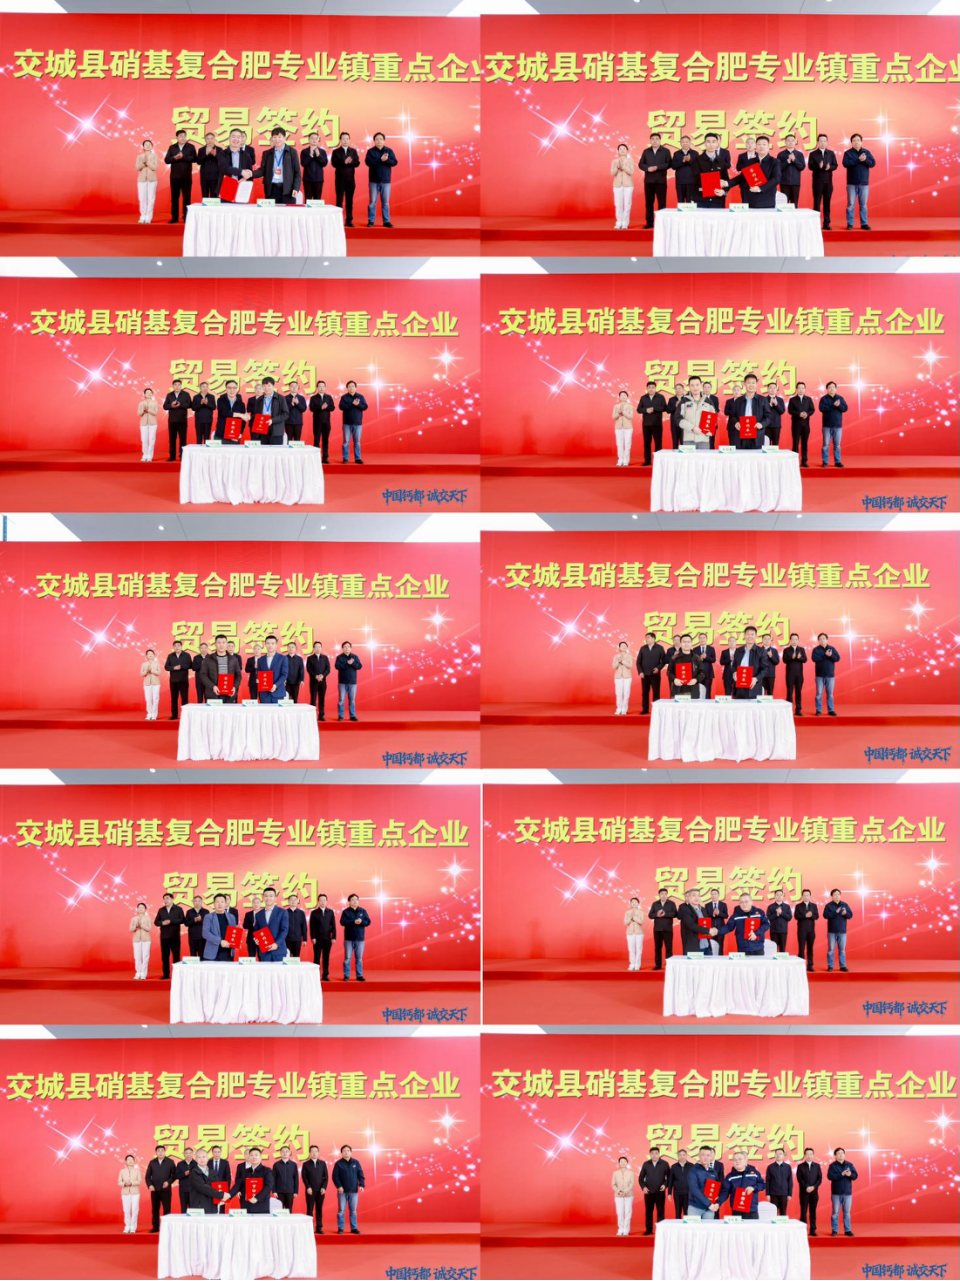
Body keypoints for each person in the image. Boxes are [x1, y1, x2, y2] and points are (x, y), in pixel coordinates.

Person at [250, 126, 302, 204]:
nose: (277, 139)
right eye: (275, 137)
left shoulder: (292, 152)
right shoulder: (267, 153)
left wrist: (296, 188)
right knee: (271, 211)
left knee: (288, 211)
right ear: (272, 138)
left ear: (285, 138)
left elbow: (297, 172)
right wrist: (251, 174)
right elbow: (262, 170)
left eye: (279, 137)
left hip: (288, 190)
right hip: (271, 190)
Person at [736, 134, 781, 209]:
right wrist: (727, 183)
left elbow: (776, 179)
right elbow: (742, 177)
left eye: (764, 144)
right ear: (756, 147)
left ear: (768, 147)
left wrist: (760, 188)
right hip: (750, 200)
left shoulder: (774, 161)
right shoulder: (750, 162)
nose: (761, 146)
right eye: (759, 144)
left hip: (766, 202)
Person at [842, 133, 875, 230]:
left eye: (858, 140)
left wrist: (865, 160)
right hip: (851, 183)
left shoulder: (866, 152)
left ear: (861, 142)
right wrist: (858, 160)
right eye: (854, 140)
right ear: (851, 142)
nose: (856, 142)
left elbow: (872, 163)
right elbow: (845, 163)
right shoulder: (848, 153)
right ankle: (850, 224)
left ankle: (864, 223)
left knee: (863, 205)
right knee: (850, 204)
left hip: (864, 183)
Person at [729, 373, 770, 450]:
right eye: (748, 383)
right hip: (741, 435)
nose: (751, 385)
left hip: (757, 435)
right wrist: (736, 423)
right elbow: (733, 416)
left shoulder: (762, 400)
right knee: (741, 456)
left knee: (756, 457)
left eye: (753, 383)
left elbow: (768, 417)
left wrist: (762, 424)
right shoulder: (738, 401)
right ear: (744, 384)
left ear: (756, 384)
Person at [365, 131, 398, 227]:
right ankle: (371, 221)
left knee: (386, 203)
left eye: (381, 139)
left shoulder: (389, 151)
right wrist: (380, 160)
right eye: (377, 139)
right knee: (372, 202)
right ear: (374, 141)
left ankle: (386, 221)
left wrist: (386, 160)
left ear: (384, 141)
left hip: (386, 181)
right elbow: (368, 162)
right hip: (373, 181)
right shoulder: (370, 151)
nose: (379, 141)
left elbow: (394, 162)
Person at [719, 1151, 765, 1219]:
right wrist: (718, 1202)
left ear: (745, 1160)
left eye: (740, 1159)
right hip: (737, 1210)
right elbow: (725, 1192)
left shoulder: (754, 1173)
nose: (737, 1161)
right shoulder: (730, 1177)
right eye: (735, 1160)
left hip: (751, 1210)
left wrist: (753, 1188)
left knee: (753, 1226)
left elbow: (762, 1184)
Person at [639, 133, 671, 228]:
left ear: (660, 140)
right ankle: (649, 223)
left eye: (657, 139)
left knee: (662, 203)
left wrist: (657, 167)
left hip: (661, 181)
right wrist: (647, 168)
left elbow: (669, 163)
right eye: (653, 139)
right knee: (649, 203)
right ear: (650, 140)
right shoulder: (646, 151)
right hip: (649, 181)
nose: (655, 141)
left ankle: (662, 223)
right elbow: (641, 164)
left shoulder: (665, 151)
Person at [164, 130, 196, 223]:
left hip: (187, 177)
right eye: (181, 136)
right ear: (177, 137)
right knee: (174, 198)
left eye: (184, 136)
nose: (183, 138)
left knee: (187, 198)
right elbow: (166, 160)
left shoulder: (191, 147)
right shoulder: (172, 147)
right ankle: (174, 218)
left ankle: (186, 217)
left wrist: (183, 157)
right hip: (174, 177)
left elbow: (195, 159)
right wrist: (175, 157)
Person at [201, 633, 243, 703]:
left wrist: (234, 687)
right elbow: (203, 675)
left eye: (223, 642)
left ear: (226, 644)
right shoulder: (208, 658)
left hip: (229, 695)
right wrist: (213, 686)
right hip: (213, 694)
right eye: (219, 643)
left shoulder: (233, 659)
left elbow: (238, 676)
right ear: (215, 644)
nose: (221, 645)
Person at [247, 376, 289, 445]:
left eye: (269, 385)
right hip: (262, 430)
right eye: (264, 386)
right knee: (263, 450)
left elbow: (285, 414)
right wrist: (250, 417)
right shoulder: (259, 399)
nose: (266, 388)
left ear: (273, 386)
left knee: (276, 451)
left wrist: (272, 420)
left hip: (276, 431)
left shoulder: (280, 398)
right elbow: (256, 414)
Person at [686, 1146, 725, 1220]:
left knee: (708, 1228)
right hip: (695, 1208)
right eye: (703, 1155)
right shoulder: (693, 1171)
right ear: (699, 1155)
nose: (705, 1157)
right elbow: (694, 1190)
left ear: (711, 1156)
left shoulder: (713, 1172)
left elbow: (717, 1187)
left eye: (708, 1155)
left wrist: (717, 1197)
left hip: (709, 1210)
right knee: (693, 1228)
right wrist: (709, 1204)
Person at [731, 626, 770, 699]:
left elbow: (765, 669)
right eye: (748, 634)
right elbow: (734, 666)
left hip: (753, 687)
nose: (750, 636)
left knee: (753, 706)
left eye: (752, 634)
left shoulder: (761, 651)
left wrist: (756, 678)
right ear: (744, 636)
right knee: (738, 705)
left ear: (756, 636)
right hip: (739, 688)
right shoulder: (738, 651)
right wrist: (734, 673)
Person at [333, 1144, 365, 1234]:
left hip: (353, 1190)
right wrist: (339, 1186)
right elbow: (335, 1177)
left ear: (351, 1152)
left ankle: (354, 1228)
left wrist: (361, 1185)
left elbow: (360, 1175)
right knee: (341, 1210)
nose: (346, 1152)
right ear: (341, 1153)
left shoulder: (356, 1162)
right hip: (342, 1191)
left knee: (353, 1211)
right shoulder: (338, 1164)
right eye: (344, 1151)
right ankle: (341, 1228)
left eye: (348, 1150)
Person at [808, 133, 838, 229]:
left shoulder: (831, 153)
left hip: (828, 182)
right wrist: (818, 166)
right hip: (817, 182)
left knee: (827, 203)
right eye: (821, 141)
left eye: (824, 141)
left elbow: (835, 165)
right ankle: (816, 223)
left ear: (827, 142)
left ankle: (826, 223)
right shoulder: (813, 154)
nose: (823, 143)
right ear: (818, 142)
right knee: (817, 202)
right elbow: (810, 166)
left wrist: (830, 168)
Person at [231, 1148, 274, 1212]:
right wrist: (228, 1195)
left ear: (260, 1157)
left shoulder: (267, 1170)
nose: (254, 1157)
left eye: (256, 1155)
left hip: (261, 1206)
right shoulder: (245, 1172)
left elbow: (268, 1186)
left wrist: (257, 1198)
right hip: (246, 1205)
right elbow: (238, 1185)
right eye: (251, 1155)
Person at [694, 133, 731, 208]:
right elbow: (696, 178)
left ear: (717, 144)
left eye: (714, 142)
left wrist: (724, 191)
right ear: (704, 143)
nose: (711, 144)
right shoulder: (697, 160)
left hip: (717, 200)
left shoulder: (721, 162)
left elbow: (726, 180)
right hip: (701, 200)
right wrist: (716, 181)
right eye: (708, 142)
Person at [639, 1147, 670, 1235]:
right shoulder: (646, 1164)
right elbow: (641, 1178)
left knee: (660, 1211)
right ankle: (649, 1230)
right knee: (648, 1211)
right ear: (650, 1154)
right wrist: (643, 1187)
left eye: (656, 1153)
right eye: (652, 1153)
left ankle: (660, 1230)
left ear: (659, 1154)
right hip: (648, 1192)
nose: (654, 1155)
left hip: (660, 1192)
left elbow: (669, 1177)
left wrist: (665, 1185)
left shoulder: (664, 1164)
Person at [332, 131, 360, 226]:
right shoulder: (336, 151)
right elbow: (334, 163)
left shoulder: (353, 151)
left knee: (349, 201)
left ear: (349, 140)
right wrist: (344, 162)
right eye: (343, 139)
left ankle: (349, 220)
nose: (345, 140)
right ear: (340, 140)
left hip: (350, 180)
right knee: (339, 200)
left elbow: (357, 163)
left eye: (347, 139)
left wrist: (350, 162)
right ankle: (338, 221)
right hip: (339, 180)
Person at [255, 886, 290, 961]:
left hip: (279, 951)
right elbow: (256, 930)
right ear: (263, 897)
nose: (268, 898)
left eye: (271, 896)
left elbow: (284, 930)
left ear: (275, 898)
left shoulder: (282, 912)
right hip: (264, 952)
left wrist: (276, 944)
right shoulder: (258, 914)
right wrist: (256, 939)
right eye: (266, 896)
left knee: (279, 969)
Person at [827, 1148, 857, 1236]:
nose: (841, 1155)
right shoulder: (832, 1166)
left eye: (842, 1153)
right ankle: (834, 1230)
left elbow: (855, 1176)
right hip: (836, 1193)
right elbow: (830, 1176)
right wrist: (841, 1174)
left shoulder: (849, 1164)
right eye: (838, 1153)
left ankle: (847, 1230)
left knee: (847, 1213)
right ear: (835, 1156)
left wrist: (850, 1175)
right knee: (835, 1213)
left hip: (847, 1193)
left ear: (844, 1154)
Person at [341, 893, 371, 980]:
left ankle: (359, 975)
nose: (355, 901)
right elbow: (342, 922)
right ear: (349, 902)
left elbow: (368, 922)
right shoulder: (346, 912)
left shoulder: (363, 911)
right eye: (353, 900)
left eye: (356, 900)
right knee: (347, 958)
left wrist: (361, 922)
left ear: (358, 901)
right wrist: (353, 922)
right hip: (348, 939)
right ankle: (346, 975)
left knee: (359, 958)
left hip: (360, 938)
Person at [154, 892, 185, 978]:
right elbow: (156, 922)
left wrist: (171, 921)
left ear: (172, 899)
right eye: (164, 899)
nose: (165, 900)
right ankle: (166, 974)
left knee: (176, 956)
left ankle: (176, 974)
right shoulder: (161, 910)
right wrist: (162, 923)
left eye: (167, 898)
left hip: (175, 936)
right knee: (165, 956)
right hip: (164, 937)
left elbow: (182, 920)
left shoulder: (178, 909)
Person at [146, 1145, 176, 1231]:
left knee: (167, 1209)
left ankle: (167, 1228)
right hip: (154, 1190)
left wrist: (168, 1182)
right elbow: (147, 1176)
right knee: (155, 1209)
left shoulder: (170, 1162)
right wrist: (150, 1185)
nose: (160, 1152)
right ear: (156, 1152)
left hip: (166, 1190)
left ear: (164, 1152)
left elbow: (175, 1175)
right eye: (158, 1151)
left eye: (162, 1151)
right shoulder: (152, 1162)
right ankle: (155, 1227)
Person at [678, 378, 714, 450]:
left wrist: (709, 431)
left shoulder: (708, 401)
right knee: (688, 458)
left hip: (704, 440)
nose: (695, 388)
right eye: (692, 385)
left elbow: (712, 419)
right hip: (688, 440)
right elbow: (678, 418)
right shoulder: (684, 401)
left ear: (701, 385)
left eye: (697, 385)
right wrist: (692, 428)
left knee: (703, 457)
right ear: (689, 387)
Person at [201, 892, 238, 961]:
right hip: (212, 953)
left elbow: (234, 932)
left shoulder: (231, 917)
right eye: (217, 902)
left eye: (222, 902)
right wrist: (220, 941)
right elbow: (205, 933)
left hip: (227, 952)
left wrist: (235, 940)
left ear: (225, 904)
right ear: (214, 904)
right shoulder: (208, 917)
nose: (220, 904)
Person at [188, 1149, 227, 1214]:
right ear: (196, 1159)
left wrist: (221, 1198)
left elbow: (217, 1187)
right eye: (199, 1157)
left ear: (207, 1158)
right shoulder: (194, 1172)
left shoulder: (212, 1172)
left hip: (212, 1207)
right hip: (199, 1208)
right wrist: (221, 1195)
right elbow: (203, 1187)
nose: (202, 1159)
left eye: (204, 1157)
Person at [819, 382, 848, 468]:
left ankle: (837, 461)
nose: (832, 388)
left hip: (838, 426)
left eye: (833, 387)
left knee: (837, 445)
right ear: (827, 389)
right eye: (830, 387)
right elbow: (822, 408)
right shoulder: (824, 399)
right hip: (826, 426)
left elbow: (845, 408)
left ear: (836, 388)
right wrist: (833, 406)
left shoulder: (840, 398)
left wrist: (839, 405)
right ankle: (825, 461)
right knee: (825, 445)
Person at [636, 632, 666, 715]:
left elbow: (664, 661)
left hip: (655, 674)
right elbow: (638, 662)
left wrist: (658, 668)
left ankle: (656, 710)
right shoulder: (643, 648)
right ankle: (645, 709)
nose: (646, 639)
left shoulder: (660, 648)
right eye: (646, 637)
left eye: (648, 637)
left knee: (656, 692)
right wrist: (640, 672)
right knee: (645, 693)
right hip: (644, 675)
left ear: (653, 638)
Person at [824, 888, 853, 972]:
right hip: (831, 931)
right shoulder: (828, 905)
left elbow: (850, 915)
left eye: (838, 894)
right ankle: (830, 966)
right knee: (831, 950)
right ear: (832, 896)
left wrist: (845, 913)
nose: (837, 896)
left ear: (840, 896)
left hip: (842, 931)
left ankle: (842, 966)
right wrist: (835, 912)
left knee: (842, 950)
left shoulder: (845, 905)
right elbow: (825, 915)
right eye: (835, 894)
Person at [638, 381, 667, 465]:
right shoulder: (643, 397)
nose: (651, 389)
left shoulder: (661, 397)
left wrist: (654, 408)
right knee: (647, 443)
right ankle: (647, 461)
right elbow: (639, 409)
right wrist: (646, 410)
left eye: (653, 387)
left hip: (657, 424)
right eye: (649, 387)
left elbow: (664, 408)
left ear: (655, 388)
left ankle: (658, 461)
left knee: (658, 443)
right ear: (647, 388)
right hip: (646, 424)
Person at [812, 633, 841, 717]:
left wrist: (831, 655)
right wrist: (825, 655)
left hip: (830, 675)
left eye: (823, 638)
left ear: (827, 639)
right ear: (818, 640)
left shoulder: (832, 648)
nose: (822, 640)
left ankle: (831, 710)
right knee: (819, 694)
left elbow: (837, 658)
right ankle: (818, 710)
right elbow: (814, 659)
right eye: (820, 639)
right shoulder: (816, 650)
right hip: (819, 675)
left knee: (830, 694)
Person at [648, 888, 677, 970]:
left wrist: (665, 914)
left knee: (669, 948)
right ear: (659, 895)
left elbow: (675, 914)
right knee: (657, 948)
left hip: (668, 929)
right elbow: (650, 915)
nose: (664, 895)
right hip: (657, 929)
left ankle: (669, 965)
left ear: (667, 895)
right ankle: (658, 965)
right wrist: (656, 915)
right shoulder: (655, 904)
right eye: (662, 894)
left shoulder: (671, 903)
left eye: (665, 894)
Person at [668, 634, 705, 699]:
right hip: (677, 691)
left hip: (692, 691)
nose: (686, 644)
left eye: (688, 642)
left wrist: (696, 680)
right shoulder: (674, 658)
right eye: (684, 642)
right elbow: (669, 672)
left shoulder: (697, 658)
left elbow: (702, 673)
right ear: (680, 644)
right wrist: (674, 679)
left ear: (691, 643)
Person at [339, 381, 367, 463]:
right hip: (346, 423)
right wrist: (352, 404)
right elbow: (341, 407)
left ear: (356, 387)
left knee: (357, 442)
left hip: (358, 424)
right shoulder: (344, 397)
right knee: (346, 442)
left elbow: (365, 407)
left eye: (353, 386)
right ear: (347, 388)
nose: (351, 388)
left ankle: (358, 458)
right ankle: (345, 458)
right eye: (349, 386)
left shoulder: (360, 396)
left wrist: (358, 405)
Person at [163, 380, 191, 461]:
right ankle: (172, 456)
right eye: (175, 385)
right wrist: (171, 405)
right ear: (173, 386)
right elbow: (165, 406)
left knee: (183, 439)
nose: (177, 386)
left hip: (182, 420)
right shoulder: (169, 395)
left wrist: (180, 404)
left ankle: (182, 456)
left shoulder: (186, 394)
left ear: (181, 386)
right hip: (172, 421)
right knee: (172, 439)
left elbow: (190, 404)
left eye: (179, 385)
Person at [788, 382, 815, 467]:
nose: (801, 389)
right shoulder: (792, 400)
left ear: (805, 389)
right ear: (796, 389)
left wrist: (807, 414)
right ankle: (794, 461)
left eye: (803, 388)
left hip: (806, 425)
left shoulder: (809, 399)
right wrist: (798, 414)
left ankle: (804, 461)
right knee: (795, 443)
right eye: (799, 388)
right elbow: (790, 410)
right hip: (796, 425)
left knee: (804, 443)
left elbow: (812, 410)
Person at [310, 894, 336, 981]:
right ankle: (316, 975)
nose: (322, 902)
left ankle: (325, 975)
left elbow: (334, 925)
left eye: (324, 900)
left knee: (326, 957)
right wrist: (313, 937)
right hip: (317, 939)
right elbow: (312, 926)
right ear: (318, 901)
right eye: (321, 900)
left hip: (327, 939)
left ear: (327, 901)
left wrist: (334, 937)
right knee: (316, 957)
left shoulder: (330, 912)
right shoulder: (314, 913)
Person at [303, 1145, 328, 1233]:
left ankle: (319, 1227)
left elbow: (326, 1177)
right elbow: (304, 1178)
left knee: (319, 1209)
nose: (314, 1153)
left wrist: (324, 1187)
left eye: (316, 1151)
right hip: (310, 1191)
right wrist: (308, 1187)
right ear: (310, 1153)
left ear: (318, 1152)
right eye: (312, 1151)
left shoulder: (322, 1163)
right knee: (309, 1209)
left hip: (320, 1191)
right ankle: (309, 1227)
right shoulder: (306, 1164)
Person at [257, 634, 289, 703]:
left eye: (272, 643)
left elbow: (284, 675)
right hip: (264, 694)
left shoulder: (283, 658)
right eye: (268, 643)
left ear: (276, 645)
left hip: (278, 693)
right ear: (265, 645)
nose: (270, 645)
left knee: (278, 710)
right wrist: (258, 679)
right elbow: (258, 674)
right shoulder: (260, 660)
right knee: (264, 710)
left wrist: (275, 685)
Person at [797, 1147, 822, 1235]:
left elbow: (819, 1179)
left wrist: (814, 1187)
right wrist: (806, 1187)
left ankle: (813, 1230)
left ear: (813, 1155)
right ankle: (803, 1230)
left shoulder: (817, 1166)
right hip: (804, 1193)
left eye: (811, 1154)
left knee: (813, 1211)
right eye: (807, 1154)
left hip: (814, 1193)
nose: (809, 1156)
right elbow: (800, 1179)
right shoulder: (800, 1166)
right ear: (804, 1155)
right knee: (803, 1211)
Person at [164, 640, 191, 719]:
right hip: (173, 681)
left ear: (181, 646)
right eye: (175, 646)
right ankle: (174, 715)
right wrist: (173, 667)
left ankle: (185, 715)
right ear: (173, 647)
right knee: (174, 698)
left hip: (183, 680)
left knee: (184, 698)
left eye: (178, 645)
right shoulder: (170, 656)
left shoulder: (187, 655)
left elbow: (190, 665)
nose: (177, 647)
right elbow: (166, 667)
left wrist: (181, 666)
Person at [678, 888, 710, 955]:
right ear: (689, 898)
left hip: (706, 945)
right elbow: (691, 925)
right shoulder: (685, 909)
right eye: (694, 895)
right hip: (693, 946)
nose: (697, 897)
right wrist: (708, 931)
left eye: (698, 895)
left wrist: (713, 929)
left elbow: (707, 923)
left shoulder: (703, 909)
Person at [336, 641, 362, 721]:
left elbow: (359, 666)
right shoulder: (339, 657)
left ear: (350, 648)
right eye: (345, 647)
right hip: (342, 682)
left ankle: (352, 716)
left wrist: (353, 663)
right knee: (341, 700)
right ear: (342, 648)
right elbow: (337, 666)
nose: (346, 648)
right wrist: (347, 663)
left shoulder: (355, 657)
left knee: (352, 700)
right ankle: (341, 716)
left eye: (348, 647)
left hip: (353, 682)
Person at [610, 143, 635, 230]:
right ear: (618, 151)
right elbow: (612, 173)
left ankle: (625, 223)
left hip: (628, 185)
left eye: (624, 149)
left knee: (627, 204)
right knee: (618, 204)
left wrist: (623, 167)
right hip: (617, 185)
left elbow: (631, 172)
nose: (622, 150)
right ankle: (618, 222)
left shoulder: (630, 160)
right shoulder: (614, 161)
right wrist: (617, 168)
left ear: (627, 151)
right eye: (620, 149)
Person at [309, 382, 336, 461]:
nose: (321, 388)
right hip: (317, 422)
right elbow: (311, 408)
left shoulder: (329, 397)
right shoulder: (313, 398)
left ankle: (325, 457)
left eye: (323, 386)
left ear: (325, 387)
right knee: (316, 440)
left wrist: (326, 407)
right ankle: (316, 458)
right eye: (319, 386)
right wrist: (320, 407)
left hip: (326, 422)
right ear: (317, 388)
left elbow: (332, 407)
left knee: (325, 440)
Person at [777, 134, 806, 204]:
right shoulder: (781, 154)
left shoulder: (799, 154)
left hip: (795, 183)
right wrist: (787, 161)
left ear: (795, 142)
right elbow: (778, 168)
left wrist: (794, 160)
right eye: (788, 141)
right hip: (784, 183)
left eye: (792, 141)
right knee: (784, 204)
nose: (790, 142)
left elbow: (802, 167)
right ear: (785, 142)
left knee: (794, 203)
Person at [795, 889, 819, 971]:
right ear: (802, 896)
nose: (806, 897)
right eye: (804, 895)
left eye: (807, 895)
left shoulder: (814, 906)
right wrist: (805, 915)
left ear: (810, 896)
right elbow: (796, 916)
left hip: (811, 931)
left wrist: (811, 916)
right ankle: (801, 965)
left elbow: (817, 916)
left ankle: (810, 965)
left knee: (810, 948)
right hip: (801, 931)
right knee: (801, 948)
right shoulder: (798, 906)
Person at [782, 633, 807, 714]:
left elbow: (805, 660)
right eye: (793, 639)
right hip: (790, 675)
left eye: (796, 639)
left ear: (798, 640)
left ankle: (798, 710)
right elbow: (784, 660)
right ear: (790, 640)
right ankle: (789, 710)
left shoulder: (801, 649)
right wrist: (791, 658)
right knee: (789, 692)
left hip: (799, 675)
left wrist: (800, 658)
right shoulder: (786, 650)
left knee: (798, 692)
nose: (794, 641)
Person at [135, 139, 158, 224]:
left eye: (149, 144)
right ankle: (142, 216)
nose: (148, 146)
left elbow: (155, 168)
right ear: (143, 147)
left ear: (152, 146)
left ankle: (149, 217)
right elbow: (137, 168)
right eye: (146, 144)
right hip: (141, 179)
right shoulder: (139, 156)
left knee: (151, 199)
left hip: (152, 179)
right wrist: (143, 163)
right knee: (142, 198)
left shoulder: (154, 156)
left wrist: (147, 162)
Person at [300, 132, 329, 201]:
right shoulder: (304, 151)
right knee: (308, 199)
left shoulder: (322, 151)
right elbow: (303, 164)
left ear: (318, 139)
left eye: (316, 138)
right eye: (312, 138)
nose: (314, 140)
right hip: (307, 180)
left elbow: (324, 163)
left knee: (317, 199)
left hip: (319, 179)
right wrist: (310, 155)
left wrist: (319, 155)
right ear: (308, 140)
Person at [307, 641, 331, 721]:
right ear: (314, 648)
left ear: (321, 648)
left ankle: (321, 715)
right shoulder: (310, 658)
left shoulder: (325, 658)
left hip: (323, 682)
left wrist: (322, 675)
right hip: (313, 682)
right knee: (313, 699)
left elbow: (328, 669)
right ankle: (312, 716)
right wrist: (315, 676)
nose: (317, 648)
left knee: (321, 699)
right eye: (316, 647)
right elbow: (309, 669)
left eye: (319, 647)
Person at [612, 1155, 635, 1236]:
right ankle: (620, 1229)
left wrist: (625, 1191)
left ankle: (626, 1230)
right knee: (620, 1213)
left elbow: (632, 1184)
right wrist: (619, 1191)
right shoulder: (615, 1173)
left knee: (628, 1212)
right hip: (618, 1196)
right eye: (621, 1161)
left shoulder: (631, 1173)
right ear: (619, 1163)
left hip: (629, 1195)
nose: (623, 1163)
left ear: (627, 1163)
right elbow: (613, 1184)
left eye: (625, 1161)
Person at [137, 386, 161, 462]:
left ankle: (150, 456)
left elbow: (155, 413)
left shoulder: (155, 403)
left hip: (153, 423)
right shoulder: (141, 403)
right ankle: (144, 455)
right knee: (144, 440)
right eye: (147, 393)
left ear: (152, 394)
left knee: (152, 439)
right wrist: (143, 410)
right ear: (144, 394)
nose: (149, 394)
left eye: (150, 393)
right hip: (143, 423)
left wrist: (148, 410)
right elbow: (138, 413)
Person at [194, 133, 222, 199]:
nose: (210, 140)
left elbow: (222, 162)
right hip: (204, 176)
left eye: (212, 138)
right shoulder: (201, 150)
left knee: (214, 196)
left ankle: (214, 206)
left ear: (214, 139)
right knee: (205, 195)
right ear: (205, 140)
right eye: (208, 139)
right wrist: (206, 154)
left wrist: (215, 155)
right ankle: (205, 206)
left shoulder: (219, 149)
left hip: (215, 176)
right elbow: (198, 162)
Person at [119, 1153, 142, 1233]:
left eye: (132, 1159)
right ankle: (127, 1226)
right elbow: (119, 1182)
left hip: (135, 1192)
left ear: (134, 1161)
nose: (130, 1161)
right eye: (128, 1159)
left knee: (135, 1210)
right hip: (125, 1193)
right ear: (125, 1161)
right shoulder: (122, 1171)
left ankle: (133, 1227)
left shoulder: (137, 1171)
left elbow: (139, 1181)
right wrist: (124, 1184)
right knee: (126, 1210)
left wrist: (131, 1183)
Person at [671, 136, 699, 203]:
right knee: (680, 201)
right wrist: (682, 161)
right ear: (680, 143)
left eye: (687, 142)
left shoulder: (695, 153)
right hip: (680, 182)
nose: (685, 143)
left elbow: (698, 166)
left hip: (691, 181)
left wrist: (689, 161)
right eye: (683, 142)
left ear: (690, 143)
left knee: (691, 202)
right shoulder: (676, 153)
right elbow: (673, 166)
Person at [130, 900, 151, 979]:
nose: (140, 909)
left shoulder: (148, 918)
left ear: (145, 909)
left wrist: (142, 925)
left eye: (142, 907)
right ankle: (138, 972)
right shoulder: (134, 918)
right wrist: (135, 926)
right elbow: (130, 929)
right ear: (137, 909)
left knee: (145, 956)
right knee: (137, 957)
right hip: (136, 939)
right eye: (139, 907)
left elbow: (149, 929)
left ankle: (143, 973)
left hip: (146, 939)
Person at [612, 389, 634, 466]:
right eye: (621, 395)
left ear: (627, 397)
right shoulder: (616, 406)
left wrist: (623, 412)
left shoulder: (630, 406)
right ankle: (620, 459)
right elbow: (613, 417)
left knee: (627, 444)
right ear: (619, 397)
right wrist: (618, 413)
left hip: (628, 427)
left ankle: (626, 460)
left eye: (625, 395)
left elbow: (630, 416)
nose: (623, 396)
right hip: (618, 427)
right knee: (619, 444)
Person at [612, 640, 633, 715]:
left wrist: (623, 661)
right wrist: (618, 662)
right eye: (622, 646)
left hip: (627, 677)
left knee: (626, 693)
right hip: (618, 677)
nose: (623, 647)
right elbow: (613, 666)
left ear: (627, 647)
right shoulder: (616, 656)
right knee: (618, 693)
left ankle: (624, 709)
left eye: (625, 646)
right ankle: (619, 708)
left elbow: (630, 665)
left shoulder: (629, 656)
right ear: (619, 648)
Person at [624, 895, 644, 971]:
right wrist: (630, 918)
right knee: (631, 949)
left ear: (638, 903)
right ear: (630, 903)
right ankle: (632, 964)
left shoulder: (641, 912)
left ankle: (637, 965)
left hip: (639, 933)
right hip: (630, 933)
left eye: (635, 902)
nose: (634, 903)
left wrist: (634, 918)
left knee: (639, 949)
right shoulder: (627, 912)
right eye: (632, 902)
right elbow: (625, 922)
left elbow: (641, 922)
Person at [693, 633, 716, 699]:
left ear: (706, 639)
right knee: (698, 691)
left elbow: (713, 660)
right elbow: (693, 661)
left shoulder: (711, 649)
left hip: (708, 673)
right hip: (698, 673)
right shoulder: (695, 649)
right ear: (698, 639)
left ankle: (708, 704)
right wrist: (699, 658)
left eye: (704, 638)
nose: (702, 639)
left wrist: (706, 657)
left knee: (708, 691)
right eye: (700, 638)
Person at [140, 648, 161, 721]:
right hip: (147, 683)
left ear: (154, 655)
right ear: (146, 656)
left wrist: (152, 670)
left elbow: (159, 673)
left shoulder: (157, 663)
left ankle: (154, 715)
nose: (150, 655)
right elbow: (141, 674)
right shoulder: (143, 664)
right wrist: (146, 671)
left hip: (156, 683)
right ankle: (149, 714)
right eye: (148, 654)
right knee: (148, 699)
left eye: (151, 654)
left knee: (156, 699)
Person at [285, 893, 308, 957]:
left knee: (296, 957)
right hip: (287, 939)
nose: (293, 901)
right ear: (288, 901)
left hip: (297, 939)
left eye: (295, 900)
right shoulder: (284, 912)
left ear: (297, 901)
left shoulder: (301, 913)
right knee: (287, 957)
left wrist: (305, 939)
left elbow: (304, 926)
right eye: (291, 900)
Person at [706, 888, 728, 955]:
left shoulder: (723, 904)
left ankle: (720, 959)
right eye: (712, 894)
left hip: (720, 929)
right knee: (711, 946)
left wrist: (719, 913)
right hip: (710, 929)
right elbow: (705, 916)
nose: (713, 896)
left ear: (718, 895)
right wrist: (712, 914)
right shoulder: (707, 905)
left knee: (720, 946)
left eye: (715, 894)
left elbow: (726, 916)